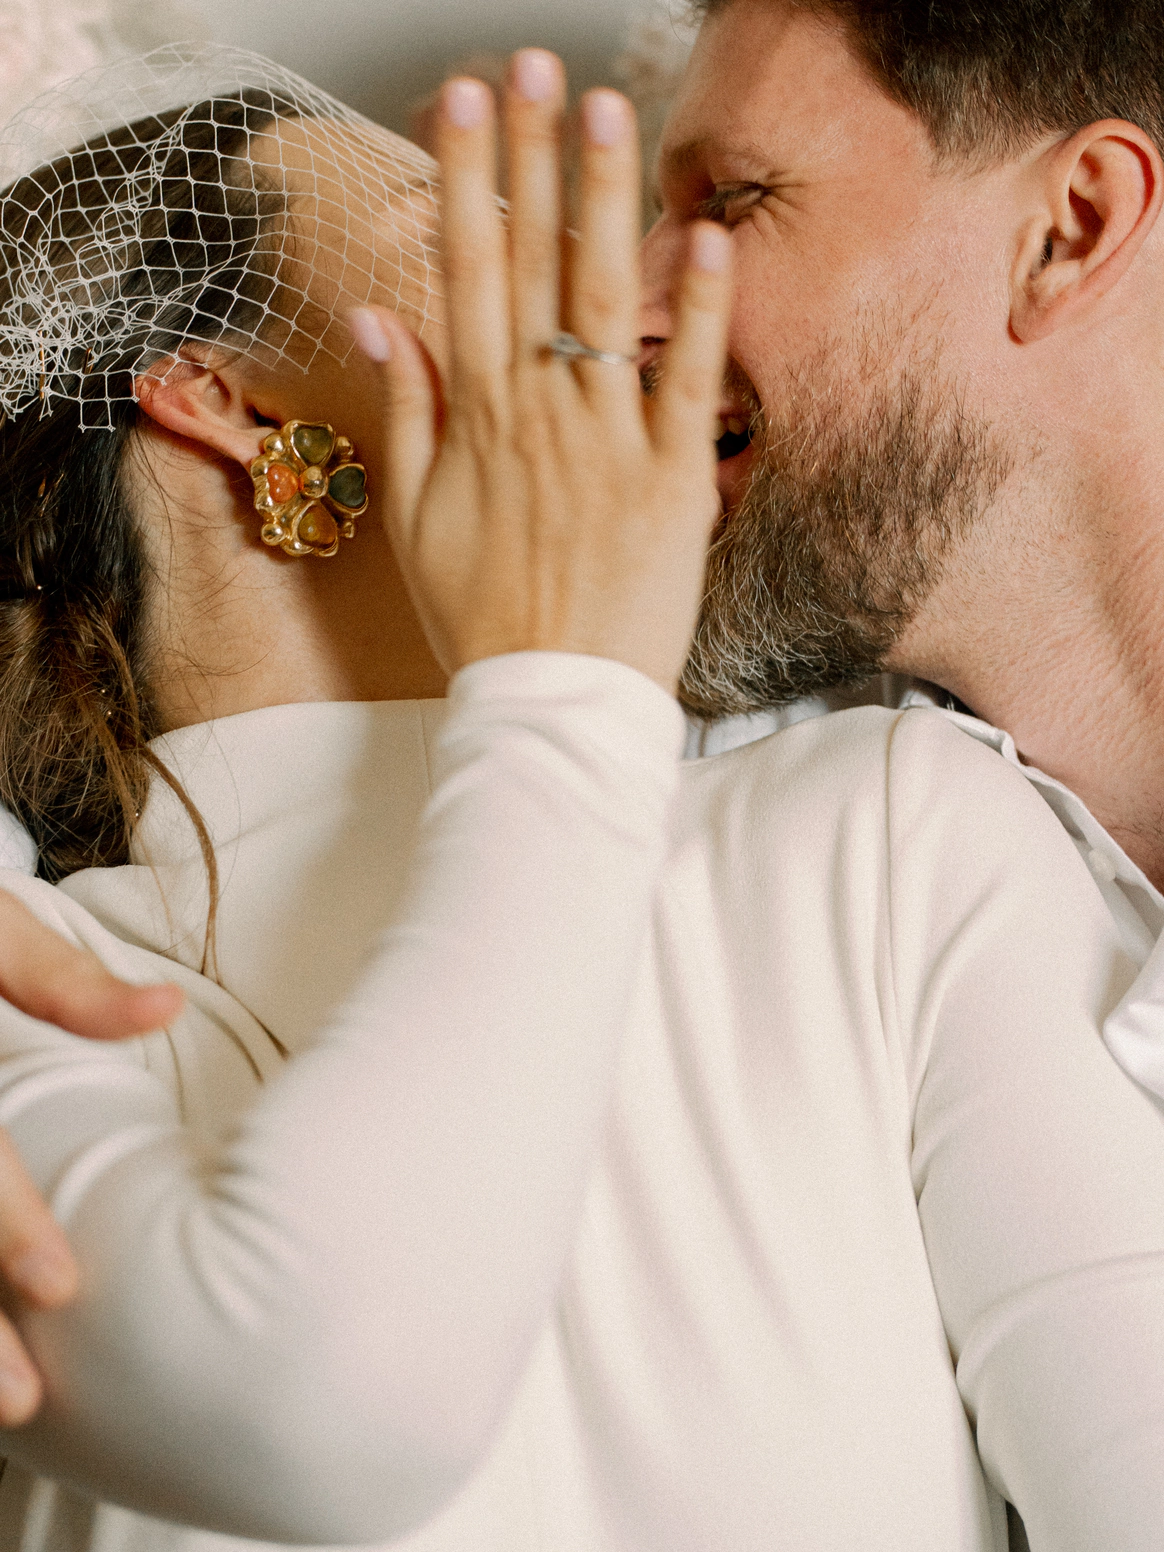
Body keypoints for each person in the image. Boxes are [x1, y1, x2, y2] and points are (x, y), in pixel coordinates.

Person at [0, 37, 1159, 1552]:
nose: (620, 308)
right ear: (229, 404)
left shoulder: (884, 833)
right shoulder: (39, 994)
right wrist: (567, 692)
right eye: (463, 241)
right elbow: (327, 1405)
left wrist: (569, 695)